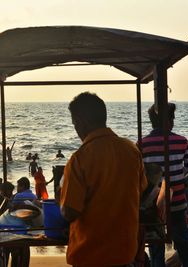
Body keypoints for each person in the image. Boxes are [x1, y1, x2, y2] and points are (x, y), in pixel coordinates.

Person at [60, 92, 147, 266]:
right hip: (125, 252)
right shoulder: (131, 150)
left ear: (81, 122)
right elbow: (141, 191)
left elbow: (70, 212)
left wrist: (60, 198)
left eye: (74, 123)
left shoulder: (80, 159)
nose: (76, 129)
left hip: (91, 255)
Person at [139, 103, 188, 267]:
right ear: (170, 121)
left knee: (156, 251)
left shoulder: (141, 145)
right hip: (177, 203)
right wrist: (184, 185)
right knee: (185, 249)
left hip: (152, 208)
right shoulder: (182, 142)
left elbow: (138, 176)